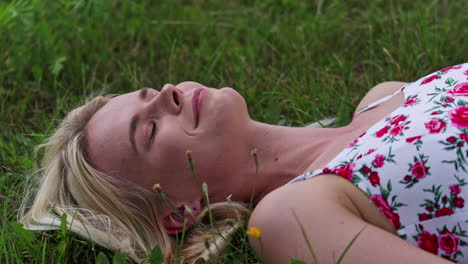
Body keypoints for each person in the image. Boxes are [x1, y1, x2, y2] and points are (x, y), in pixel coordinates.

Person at [19, 63, 468, 264]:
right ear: (180, 210)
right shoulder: (291, 217)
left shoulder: (383, 96)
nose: (169, 92)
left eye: (152, 91)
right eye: (150, 129)